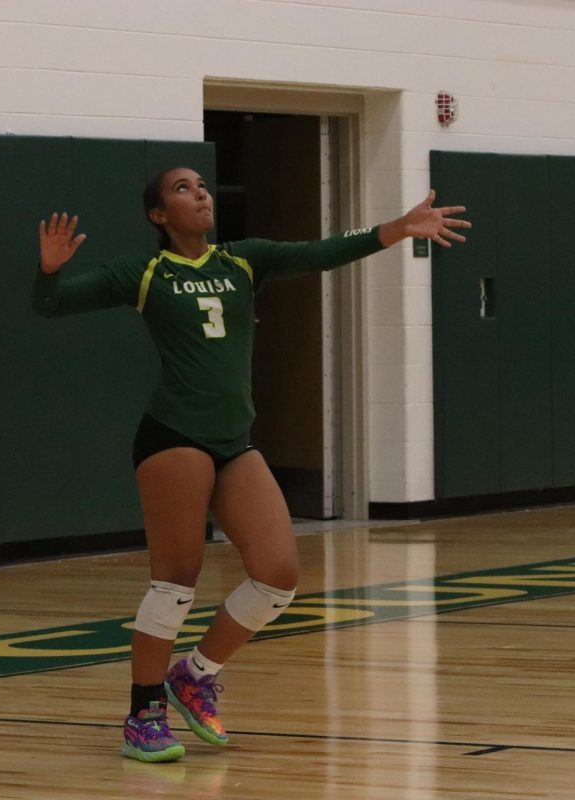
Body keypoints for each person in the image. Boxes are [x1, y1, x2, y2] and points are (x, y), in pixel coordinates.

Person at [33, 166, 470, 762]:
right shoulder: (145, 273)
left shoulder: (244, 260)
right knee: (176, 582)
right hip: (174, 437)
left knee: (278, 574)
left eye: (203, 185)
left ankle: (195, 674)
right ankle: (143, 714)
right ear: (159, 215)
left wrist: (395, 230)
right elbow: (50, 305)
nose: (200, 193)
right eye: (182, 189)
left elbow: (321, 252)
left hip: (234, 440)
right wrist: (51, 270)